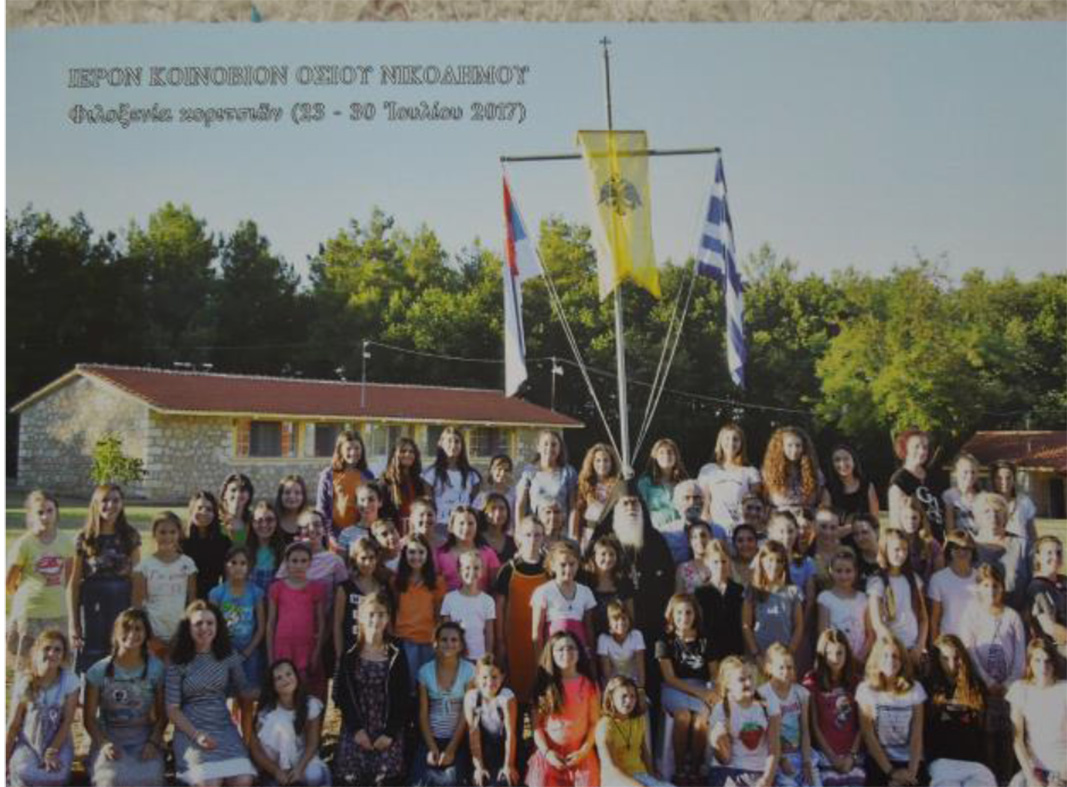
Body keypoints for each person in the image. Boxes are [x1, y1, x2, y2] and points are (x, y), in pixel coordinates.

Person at [165, 600, 257, 787]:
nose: (204, 628)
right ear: (188, 628)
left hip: (223, 727)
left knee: (243, 780)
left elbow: (244, 690)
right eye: (198, 623)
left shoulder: (228, 654)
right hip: (191, 729)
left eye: (210, 623)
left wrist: (276, 689)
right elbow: (172, 709)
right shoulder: (178, 660)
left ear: (218, 626)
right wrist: (197, 735)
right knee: (210, 782)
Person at [589, 481, 676, 664]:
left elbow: (670, 578)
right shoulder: (606, 542)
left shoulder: (655, 540)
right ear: (615, 508)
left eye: (635, 503)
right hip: (617, 627)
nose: (631, 508)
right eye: (625, 503)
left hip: (654, 619)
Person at [332, 593, 410, 787]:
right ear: (360, 617)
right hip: (357, 727)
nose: (375, 620)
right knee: (350, 779)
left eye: (381, 614)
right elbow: (340, 695)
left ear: (388, 618)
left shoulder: (396, 653)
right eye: (371, 614)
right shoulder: (349, 655)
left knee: (385, 780)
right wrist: (357, 730)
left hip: (387, 729)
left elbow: (403, 696)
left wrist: (390, 733)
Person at [959, 563, 1027, 784]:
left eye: (995, 586)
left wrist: (1008, 683)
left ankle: (1006, 778)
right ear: (979, 587)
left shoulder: (1012, 616)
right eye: (986, 585)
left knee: (1008, 735)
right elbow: (969, 650)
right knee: (986, 736)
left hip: (1009, 690)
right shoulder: (972, 615)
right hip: (983, 687)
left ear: (1002, 587)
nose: (991, 591)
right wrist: (987, 681)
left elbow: (1020, 655)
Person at [83, 609, 166, 787]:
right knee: (111, 780)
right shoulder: (98, 671)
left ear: (146, 634)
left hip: (144, 738)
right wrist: (103, 744)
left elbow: (163, 716)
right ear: (115, 632)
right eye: (126, 628)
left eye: (138, 629)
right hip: (110, 737)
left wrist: (153, 742)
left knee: (151, 779)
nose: (132, 634)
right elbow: (89, 719)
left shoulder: (157, 669)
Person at [69, 483, 142, 673]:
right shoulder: (84, 538)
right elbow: (74, 584)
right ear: (95, 504)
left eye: (116, 500)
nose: (110, 505)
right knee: (92, 663)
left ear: (122, 503)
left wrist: (136, 616)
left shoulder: (130, 536)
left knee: (119, 656)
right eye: (105, 500)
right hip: (92, 608)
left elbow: (137, 579)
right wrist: (74, 623)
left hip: (121, 605)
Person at [7, 491, 74, 673]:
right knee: (26, 667)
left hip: (59, 612)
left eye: (50, 511)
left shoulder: (66, 542)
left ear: (56, 513)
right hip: (30, 614)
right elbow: (9, 582)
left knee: (58, 667)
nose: (45, 517)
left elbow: (70, 579)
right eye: (40, 512)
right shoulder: (24, 544)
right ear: (31, 515)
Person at [525, 632, 601, 787]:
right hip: (549, 756)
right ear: (551, 654)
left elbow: (594, 723)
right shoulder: (544, 686)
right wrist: (547, 753)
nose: (566, 652)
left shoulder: (588, 685)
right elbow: (536, 726)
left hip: (580, 756)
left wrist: (583, 751)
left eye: (571, 648)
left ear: (579, 653)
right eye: (560, 649)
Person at [5, 629, 80, 787]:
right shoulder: (25, 682)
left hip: (58, 741)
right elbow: (13, 725)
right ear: (36, 652)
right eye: (47, 648)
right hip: (29, 743)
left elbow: (67, 722)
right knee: (24, 771)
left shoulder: (70, 681)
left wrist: (52, 751)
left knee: (56, 775)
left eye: (57, 650)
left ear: (63, 655)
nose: (52, 653)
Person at [656, 593, 716, 782]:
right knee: (683, 716)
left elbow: (714, 673)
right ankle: (680, 769)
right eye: (679, 613)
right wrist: (700, 693)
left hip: (701, 687)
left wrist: (712, 693)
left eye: (688, 612)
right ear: (671, 615)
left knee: (701, 721)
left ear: (695, 614)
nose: (684, 617)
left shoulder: (705, 640)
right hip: (674, 688)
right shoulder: (664, 641)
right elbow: (670, 677)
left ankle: (695, 770)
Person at [209, 546, 266, 741]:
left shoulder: (255, 592)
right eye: (233, 563)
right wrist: (222, 652)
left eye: (243, 563)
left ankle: (247, 743)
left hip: (249, 654)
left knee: (247, 701)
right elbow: (212, 627)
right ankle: (224, 742)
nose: (238, 567)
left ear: (249, 567)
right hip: (223, 654)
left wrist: (247, 652)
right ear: (226, 565)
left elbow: (261, 627)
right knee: (222, 699)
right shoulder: (217, 593)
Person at [925, 634, 997, 787]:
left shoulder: (975, 686)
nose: (952, 664)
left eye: (956, 658)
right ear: (937, 659)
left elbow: (983, 731)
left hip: (975, 763)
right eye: (945, 658)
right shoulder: (929, 687)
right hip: (942, 763)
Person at [856, 635, 927, 787]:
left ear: (902, 661)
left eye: (895, 656)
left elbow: (917, 735)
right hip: (880, 762)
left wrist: (911, 774)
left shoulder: (915, 689)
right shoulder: (865, 690)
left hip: (911, 761)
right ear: (876, 659)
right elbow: (868, 735)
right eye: (885, 656)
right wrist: (892, 773)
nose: (890, 661)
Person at [493, 516, 548, 706]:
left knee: (540, 685)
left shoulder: (550, 568)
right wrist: (500, 640)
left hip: (542, 638)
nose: (533, 539)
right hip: (514, 637)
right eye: (528, 534)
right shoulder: (508, 570)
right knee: (516, 688)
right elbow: (499, 606)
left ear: (543, 537)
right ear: (518, 538)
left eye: (537, 535)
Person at [413, 621, 475, 786]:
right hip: (430, 738)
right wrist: (432, 747)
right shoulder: (425, 671)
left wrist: (451, 749)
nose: (449, 644)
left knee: (451, 780)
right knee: (421, 782)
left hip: (457, 740)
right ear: (435, 643)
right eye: (444, 639)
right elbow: (423, 713)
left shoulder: (469, 671)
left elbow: (466, 714)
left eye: (454, 640)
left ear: (461, 645)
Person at [249, 659, 329, 786]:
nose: (285, 680)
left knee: (314, 775)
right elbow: (255, 749)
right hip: (275, 762)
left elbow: (312, 743)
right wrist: (275, 771)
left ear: (296, 676)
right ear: (273, 686)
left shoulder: (310, 704)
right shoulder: (267, 712)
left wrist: (299, 768)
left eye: (288, 674)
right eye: (279, 678)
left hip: (301, 755)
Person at [803, 629, 865, 787]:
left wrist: (852, 755)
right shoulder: (813, 681)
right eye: (829, 653)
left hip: (853, 755)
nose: (835, 658)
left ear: (847, 654)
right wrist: (832, 757)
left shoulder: (856, 682)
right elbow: (814, 725)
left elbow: (862, 725)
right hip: (826, 756)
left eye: (839, 653)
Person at [133, 511, 198, 660]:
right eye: (162, 532)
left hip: (178, 632)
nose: (167, 537)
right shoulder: (145, 566)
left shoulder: (187, 564)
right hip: (153, 632)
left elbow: (192, 603)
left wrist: (183, 632)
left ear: (179, 534)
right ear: (154, 534)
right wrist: (150, 636)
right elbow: (138, 605)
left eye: (172, 532)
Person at [707, 656, 781, 787]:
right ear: (728, 684)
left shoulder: (768, 705)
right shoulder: (721, 709)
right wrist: (717, 740)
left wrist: (767, 779)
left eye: (750, 678)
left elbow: (774, 748)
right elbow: (724, 759)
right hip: (728, 770)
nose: (748, 683)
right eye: (741, 679)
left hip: (759, 771)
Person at [1006, 638, 1067, 787]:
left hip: (1062, 769)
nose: (1043, 667)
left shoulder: (1064, 690)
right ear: (1030, 663)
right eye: (1037, 661)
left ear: (1054, 663)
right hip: (1035, 769)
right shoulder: (1020, 689)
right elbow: (1018, 741)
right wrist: (1032, 778)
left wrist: (1060, 780)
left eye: (1048, 661)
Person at [267, 543, 327, 691]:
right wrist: (270, 656)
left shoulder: (316, 588)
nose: (298, 565)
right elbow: (271, 623)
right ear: (286, 563)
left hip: (306, 648)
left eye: (303, 561)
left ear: (310, 563)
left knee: (304, 688)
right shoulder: (277, 588)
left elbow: (321, 623)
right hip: (282, 647)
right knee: (284, 689)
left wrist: (316, 653)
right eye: (294, 561)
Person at [867, 528, 928, 669]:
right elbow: (877, 623)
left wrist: (919, 647)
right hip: (890, 652)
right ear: (885, 550)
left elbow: (923, 618)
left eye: (905, 550)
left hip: (913, 649)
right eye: (896, 550)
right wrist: (899, 652)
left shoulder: (914, 579)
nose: (901, 554)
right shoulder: (877, 582)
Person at [595, 675, 672, 787]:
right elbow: (611, 768)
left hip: (641, 776)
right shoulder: (605, 726)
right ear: (611, 698)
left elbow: (644, 752)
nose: (629, 701)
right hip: (617, 780)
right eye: (624, 696)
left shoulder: (638, 720)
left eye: (632, 696)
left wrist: (652, 777)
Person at [394, 533, 447, 690]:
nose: (416, 557)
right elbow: (394, 609)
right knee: (408, 687)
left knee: (427, 687)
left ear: (427, 555)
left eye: (421, 552)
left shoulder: (437, 582)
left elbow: (439, 614)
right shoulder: (397, 582)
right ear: (404, 554)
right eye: (411, 552)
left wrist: (439, 641)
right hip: (404, 641)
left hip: (428, 641)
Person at [759, 644, 817, 787]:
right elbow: (763, 734)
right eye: (781, 667)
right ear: (769, 668)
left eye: (790, 667)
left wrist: (806, 762)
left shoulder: (800, 693)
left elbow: (805, 729)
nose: (786, 672)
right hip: (775, 757)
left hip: (799, 753)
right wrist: (781, 759)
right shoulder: (762, 694)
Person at [531, 540, 597, 656]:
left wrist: (591, 657)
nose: (568, 569)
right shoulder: (543, 591)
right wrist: (540, 661)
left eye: (572, 564)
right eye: (563, 565)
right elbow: (537, 632)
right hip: (553, 652)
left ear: (578, 564)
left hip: (578, 652)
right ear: (552, 565)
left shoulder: (585, 592)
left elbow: (589, 628)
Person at [697, 423, 763, 536]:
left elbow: (754, 503)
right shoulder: (708, 469)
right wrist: (707, 523)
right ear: (720, 442)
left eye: (735, 439)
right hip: (715, 527)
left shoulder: (751, 471)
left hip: (741, 529)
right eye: (727, 439)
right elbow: (705, 501)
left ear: (741, 443)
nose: (731, 443)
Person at [465, 655, 520, 787]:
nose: (489, 682)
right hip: (483, 746)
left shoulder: (506, 697)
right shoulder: (472, 697)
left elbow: (510, 734)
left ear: (502, 677)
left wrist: (509, 765)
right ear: (477, 678)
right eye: (484, 677)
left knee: (507, 780)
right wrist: (479, 767)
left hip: (505, 746)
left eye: (494, 677)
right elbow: (473, 734)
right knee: (478, 780)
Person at [334, 536, 392, 662]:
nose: (368, 563)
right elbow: (337, 624)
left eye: (371, 558)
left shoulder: (383, 587)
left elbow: (389, 622)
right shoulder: (345, 588)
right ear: (355, 559)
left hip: (378, 651)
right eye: (363, 558)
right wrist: (339, 656)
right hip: (351, 649)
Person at [743, 540, 805, 656]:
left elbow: (799, 625)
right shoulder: (752, 590)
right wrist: (756, 653)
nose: (775, 565)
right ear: (761, 561)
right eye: (770, 560)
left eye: (779, 561)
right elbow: (746, 625)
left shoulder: (793, 591)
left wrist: (790, 651)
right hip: (759, 653)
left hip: (784, 653)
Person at [694, 539, 746, 675]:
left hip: (734, 649)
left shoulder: (739, 590)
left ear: (729, 562)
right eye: (715, 562)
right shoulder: (700, 592)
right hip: (709, 653)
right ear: (706, 562)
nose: (720, 566)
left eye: (724, 561)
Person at [973, 491, 1030, 609]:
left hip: (1017, 612)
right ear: (977, 518)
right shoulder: (969, 547)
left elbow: (1033, 583)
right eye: (987, 511)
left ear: (1005, 517)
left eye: (998, 511)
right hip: (978, 614)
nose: (993, 515)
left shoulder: (1022, 545)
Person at [888, 428, 945, 542]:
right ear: (905, 449)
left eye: (925, 447)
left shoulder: (933, 476)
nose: (922, 451)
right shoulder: (900, 480)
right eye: (916, 447)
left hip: (937, 543)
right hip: (916, 544)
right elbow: (896, 523)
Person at [817, 548, 872, 663]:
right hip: (835, 660)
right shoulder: (825, 598)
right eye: (839, 571)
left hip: (859, 659)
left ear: (855, 572)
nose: (843, 576)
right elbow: (823, 633)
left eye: (848, 571)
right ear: (831, 571)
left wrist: (861, 656)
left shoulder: (863, 598)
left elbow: (870, 634)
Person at [317, 429, 374, 538]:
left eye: (357, 448)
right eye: (348, 449)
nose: (353, 452)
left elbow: (372, 506)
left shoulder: (368, 475)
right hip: (335, 533)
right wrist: (328, 534)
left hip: (360, 532)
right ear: (340, 451)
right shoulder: (328, 475)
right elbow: (321, 508)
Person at [422, 426, 482, 530]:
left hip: (463, 527)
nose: (453, 445)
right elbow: (428, 503)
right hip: (439, 525)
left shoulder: (472, 475)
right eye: (449, 441)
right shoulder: (430, 474)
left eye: (457, 441)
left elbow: (474, 504)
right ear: (441, 444)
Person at [441, 551, 496, 660]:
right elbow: (446, 631)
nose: (471, 572)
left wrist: (488, 656)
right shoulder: (449, 599)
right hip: (456, 657)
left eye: (476, 568)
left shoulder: (488, 601)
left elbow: (489, 633)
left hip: (479, 658)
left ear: (482, 571)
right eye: (467, 568)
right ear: (459, 571)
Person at [1026, 534, 1067, 678]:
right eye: (1049, 553)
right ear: (1038, 557)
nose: (1055, 557)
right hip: (1056, 657)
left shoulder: (1064, 582)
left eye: (1058, 552)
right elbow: (1050, 628)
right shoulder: (1037, 588)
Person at [927, 530, 980, 643]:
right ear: (949, 551)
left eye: (966, 548)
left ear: (973, 551)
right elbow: (934, 619)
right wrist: (935, 647)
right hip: (949, 644)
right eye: (956, 548)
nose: (962, 552)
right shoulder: (938, 579)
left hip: (978, 643)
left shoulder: (981, 579)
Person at [435, 504, 501, 593]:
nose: (466, 527)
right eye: (461, 523)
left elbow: (497, 585)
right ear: (451, 527)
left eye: (470, 523)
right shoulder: (440, 555)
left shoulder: (488, 553)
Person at [516, 429, 578, 523]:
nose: (549, 448)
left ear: (560, 448)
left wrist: (572, 530)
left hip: (561, 527)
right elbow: (521, 504)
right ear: (538, 447)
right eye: (545, 444)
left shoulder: (568, 472)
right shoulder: (529, 472)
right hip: (535, 528)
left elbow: (573, 507)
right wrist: (519, 528)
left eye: (554, 445)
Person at [182, 490, 232, 601]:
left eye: (209, 509)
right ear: (191, 511)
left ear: (215, 513)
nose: (204, 512)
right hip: (183, 599)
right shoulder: (182, 542)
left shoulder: (223, 543)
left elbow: (227, 578)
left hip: (212, 599)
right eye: (199, 508)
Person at [762, 426, 827, 511]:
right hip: (779, 515)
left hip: (808, 515)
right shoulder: (768, 473)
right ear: (781, 447)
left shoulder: (815, 472)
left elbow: (822, 498)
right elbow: (764, 500)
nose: (794, 450)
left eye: (798, 445)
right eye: (790, 445)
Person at [583, 534, 635, 638]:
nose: (608, 558)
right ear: (594, 556)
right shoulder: (586, 583)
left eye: (612, 554)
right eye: (603, 554)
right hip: (595, 637)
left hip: (619, 639)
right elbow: (587, 621)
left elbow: (630, 616)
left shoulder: (624, 582)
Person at [573, 443, 622, 547]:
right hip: (589, 532)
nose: (602, 464)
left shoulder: (618, 485)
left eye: (606, 460)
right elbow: (578, 513)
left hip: (611, 533)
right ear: (592, 462)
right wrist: (576, 536)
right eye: (598, 460)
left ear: (612, 463)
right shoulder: (584, 484)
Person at [637, 437, 689, 535]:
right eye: (661, 453)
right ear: (655, 457)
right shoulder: (645, 483)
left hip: (682, 531)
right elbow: (641, 511)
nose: (666, 456)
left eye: (670, 452)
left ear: (676, 456)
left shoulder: (684, 482)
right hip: (657, 531)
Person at [380, 436, 431, 532]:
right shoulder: (385, 482)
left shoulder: (419, 483)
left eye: (411, 452)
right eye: (403, 451)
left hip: (415, 533)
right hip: (392, 534)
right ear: (394, 455)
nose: (408, 454)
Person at [894, 495, 944, 585]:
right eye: (906, 517)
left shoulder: (931, 543)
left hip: (927, 589)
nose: (910, 522)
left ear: (920, 518)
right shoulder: (894, 542)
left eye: (914, 518)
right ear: (900, 519)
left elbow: (940, 575)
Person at [597, 600, 646, 689]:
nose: (621, 622)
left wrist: (639, 688)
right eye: (616, 619)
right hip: (613, 685)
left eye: (624, 618)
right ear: (609, 622)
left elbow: (640, 671)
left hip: (634, 683)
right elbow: (607, 674)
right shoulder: (603, 639)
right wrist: (617, 690)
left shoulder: (636, 635)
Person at [990, 460, 1038, 551]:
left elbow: (1031, 532)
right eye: (999, 478)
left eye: (1008, 478)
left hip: (1021, 551)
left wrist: (1035, 550)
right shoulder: (986, 502)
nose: (1004, 482)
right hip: (994, 550)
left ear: (1014, 479)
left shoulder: (1024, 502)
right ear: (993, 480)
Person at [825, 443, 880, 519]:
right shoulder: (828, 490)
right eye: (837, 460)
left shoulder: (867, 486)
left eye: (846, 459)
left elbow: (874, 519)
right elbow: (825, 521)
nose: (842, 464)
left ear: (853, 460)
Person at [247, 501, 286, 596]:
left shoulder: (285, 552)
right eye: (259, 520)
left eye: (269, 520)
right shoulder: (244, 550)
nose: (264, 525)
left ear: (276, 522)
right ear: (252, 523)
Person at [335, 482, 384, 554]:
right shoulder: (347, 534)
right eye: (362, 500)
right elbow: (340, 560)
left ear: (380, 502)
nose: (366, 504)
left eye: (371, 499)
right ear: (356, 504)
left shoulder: (389, 530)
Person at [943, 453, 982, 538]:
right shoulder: (950, 495)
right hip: (960, 540)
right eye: (965, 472)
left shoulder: (982, 496)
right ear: (956, 473)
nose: (970, 476)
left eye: (973, 472)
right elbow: (949, 526)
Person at [479, 492, 517, 564]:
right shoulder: (477, 540)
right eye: (493, 509)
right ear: (484, 513)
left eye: (502, 508)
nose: (498, 513)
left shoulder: (512, 542)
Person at [219, 473, 254, 546]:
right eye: (233, 490)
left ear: (249, 495)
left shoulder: (253, 521)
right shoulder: (216, 520)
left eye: (242, 490)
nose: (238, 494)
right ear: (224, 494)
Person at [274, 475, 310, 542]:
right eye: (287, 492)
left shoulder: (311, 523)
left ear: (303, 496)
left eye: (297, 493)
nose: (292, 496)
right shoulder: (272, 522)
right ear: (280, 496)